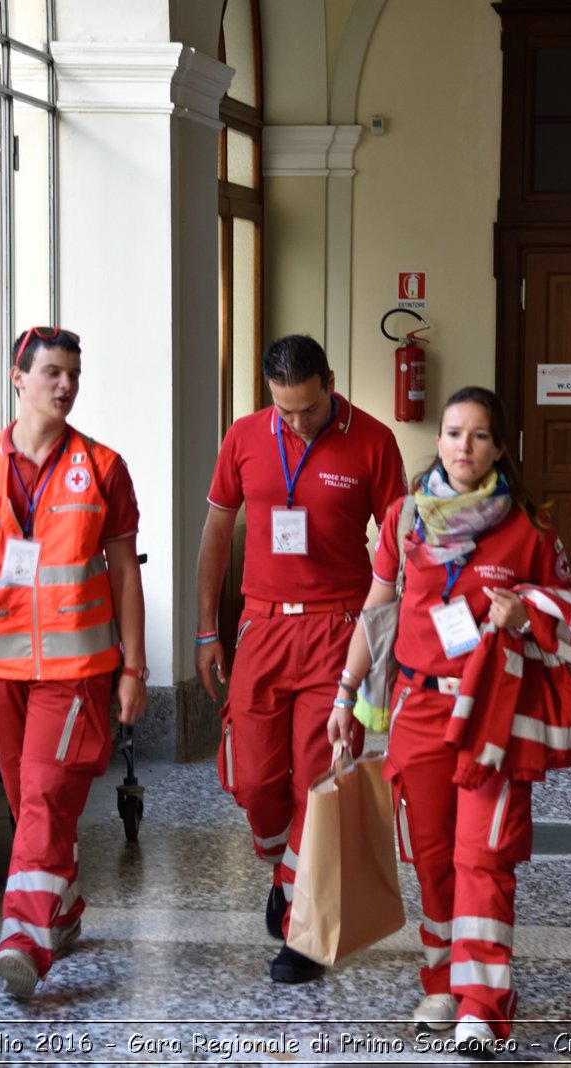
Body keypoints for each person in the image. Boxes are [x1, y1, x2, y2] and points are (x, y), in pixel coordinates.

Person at [328, 386, 571, 1058]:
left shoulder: (530, 526)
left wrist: (525, 615)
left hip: (494, 711)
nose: (465, 446)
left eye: (480, 435)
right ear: (438, 441)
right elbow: (376, 615)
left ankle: (485, 1006)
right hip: (419, 710)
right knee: (432, 859)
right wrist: (345, 699)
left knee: (482, 858)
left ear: (499, 448)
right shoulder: (406, 520)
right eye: (454, 433)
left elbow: (568, 616)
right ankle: (442, 982)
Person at [0, 326, 147, 999]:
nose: (66, 385)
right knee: (29, 809)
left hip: (76, 676)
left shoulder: (103, 467)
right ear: (18, 380)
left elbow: (124, 573)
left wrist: (134, 669)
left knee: (44, 799)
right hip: (0, 675)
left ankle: (23, 938)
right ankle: (64, 904)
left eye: (73, 373)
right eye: (51, 372)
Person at [196, 334, 407, 983]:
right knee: (257, 782)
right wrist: (208, 630)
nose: (295, 422)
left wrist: (388, 649)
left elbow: (401, 545)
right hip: (261, 626)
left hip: (336, 628)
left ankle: (303, 932)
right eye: (284, 410)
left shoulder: (372, 442)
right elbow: (215, 534)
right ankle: (281, 865)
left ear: (331, 384)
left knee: (316, 781)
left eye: (308, 410)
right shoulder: (243, 438)